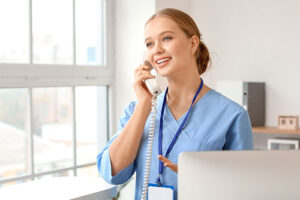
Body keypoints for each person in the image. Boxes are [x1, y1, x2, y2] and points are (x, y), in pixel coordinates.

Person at [97, 8, 253, 200]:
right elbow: (112, 173)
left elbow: (244, 189)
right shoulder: (138, 111)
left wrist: (198, 178)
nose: (156, 50)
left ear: (193, 43)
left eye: (167, 38)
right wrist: (144, 104)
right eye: (149, 43)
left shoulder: (232, 115)